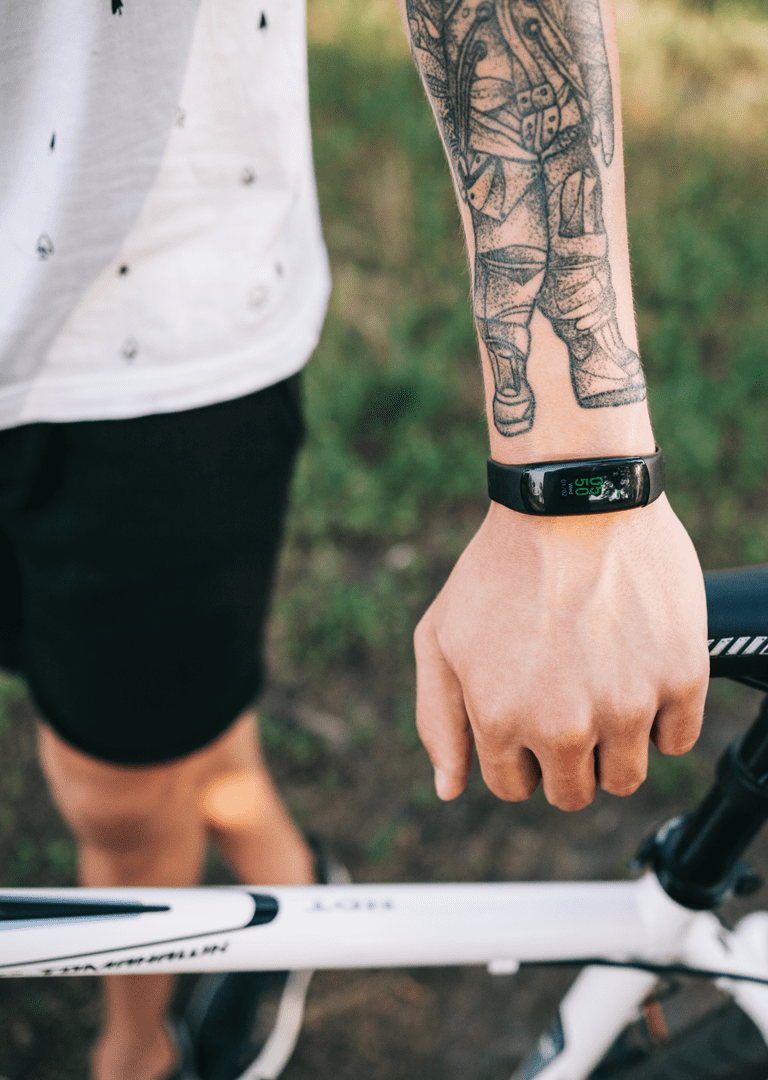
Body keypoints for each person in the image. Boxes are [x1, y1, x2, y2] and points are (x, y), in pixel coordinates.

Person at [0, 0, 707, 1078]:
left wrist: (575, 494)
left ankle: (135, 1045)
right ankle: (282, 864)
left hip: (131, 349)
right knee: (169, 726)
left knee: (115, 795)